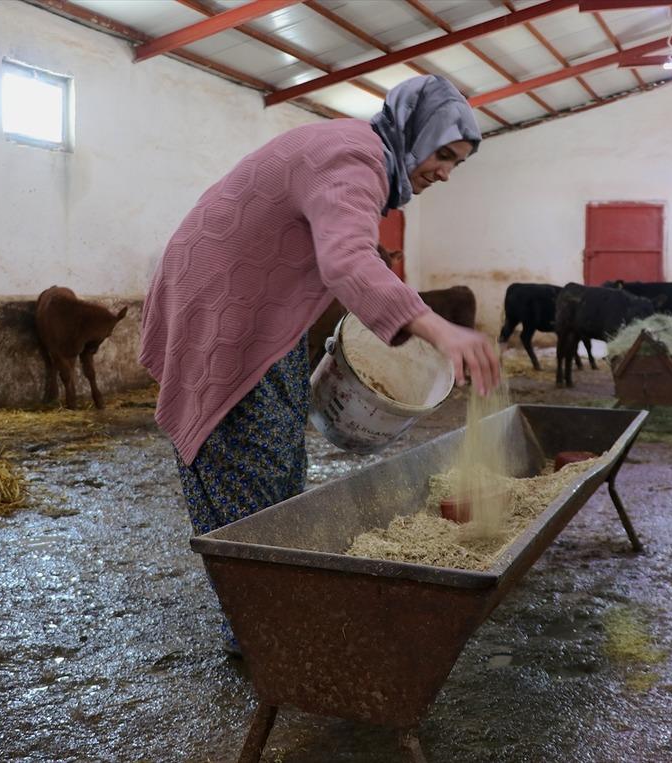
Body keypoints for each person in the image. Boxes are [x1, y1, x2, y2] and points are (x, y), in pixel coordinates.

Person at [139, 75, 500, 655]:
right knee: (245, 459)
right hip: (224, 313)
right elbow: (347, 259)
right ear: (418, 132)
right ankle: (261, 624)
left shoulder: (363, 156)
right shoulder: (354, 157)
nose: (446, 172)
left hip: (258, 317)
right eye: (445, 154)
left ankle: (274, 604)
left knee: (280, 448)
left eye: (458, 162)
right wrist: (438, 329)